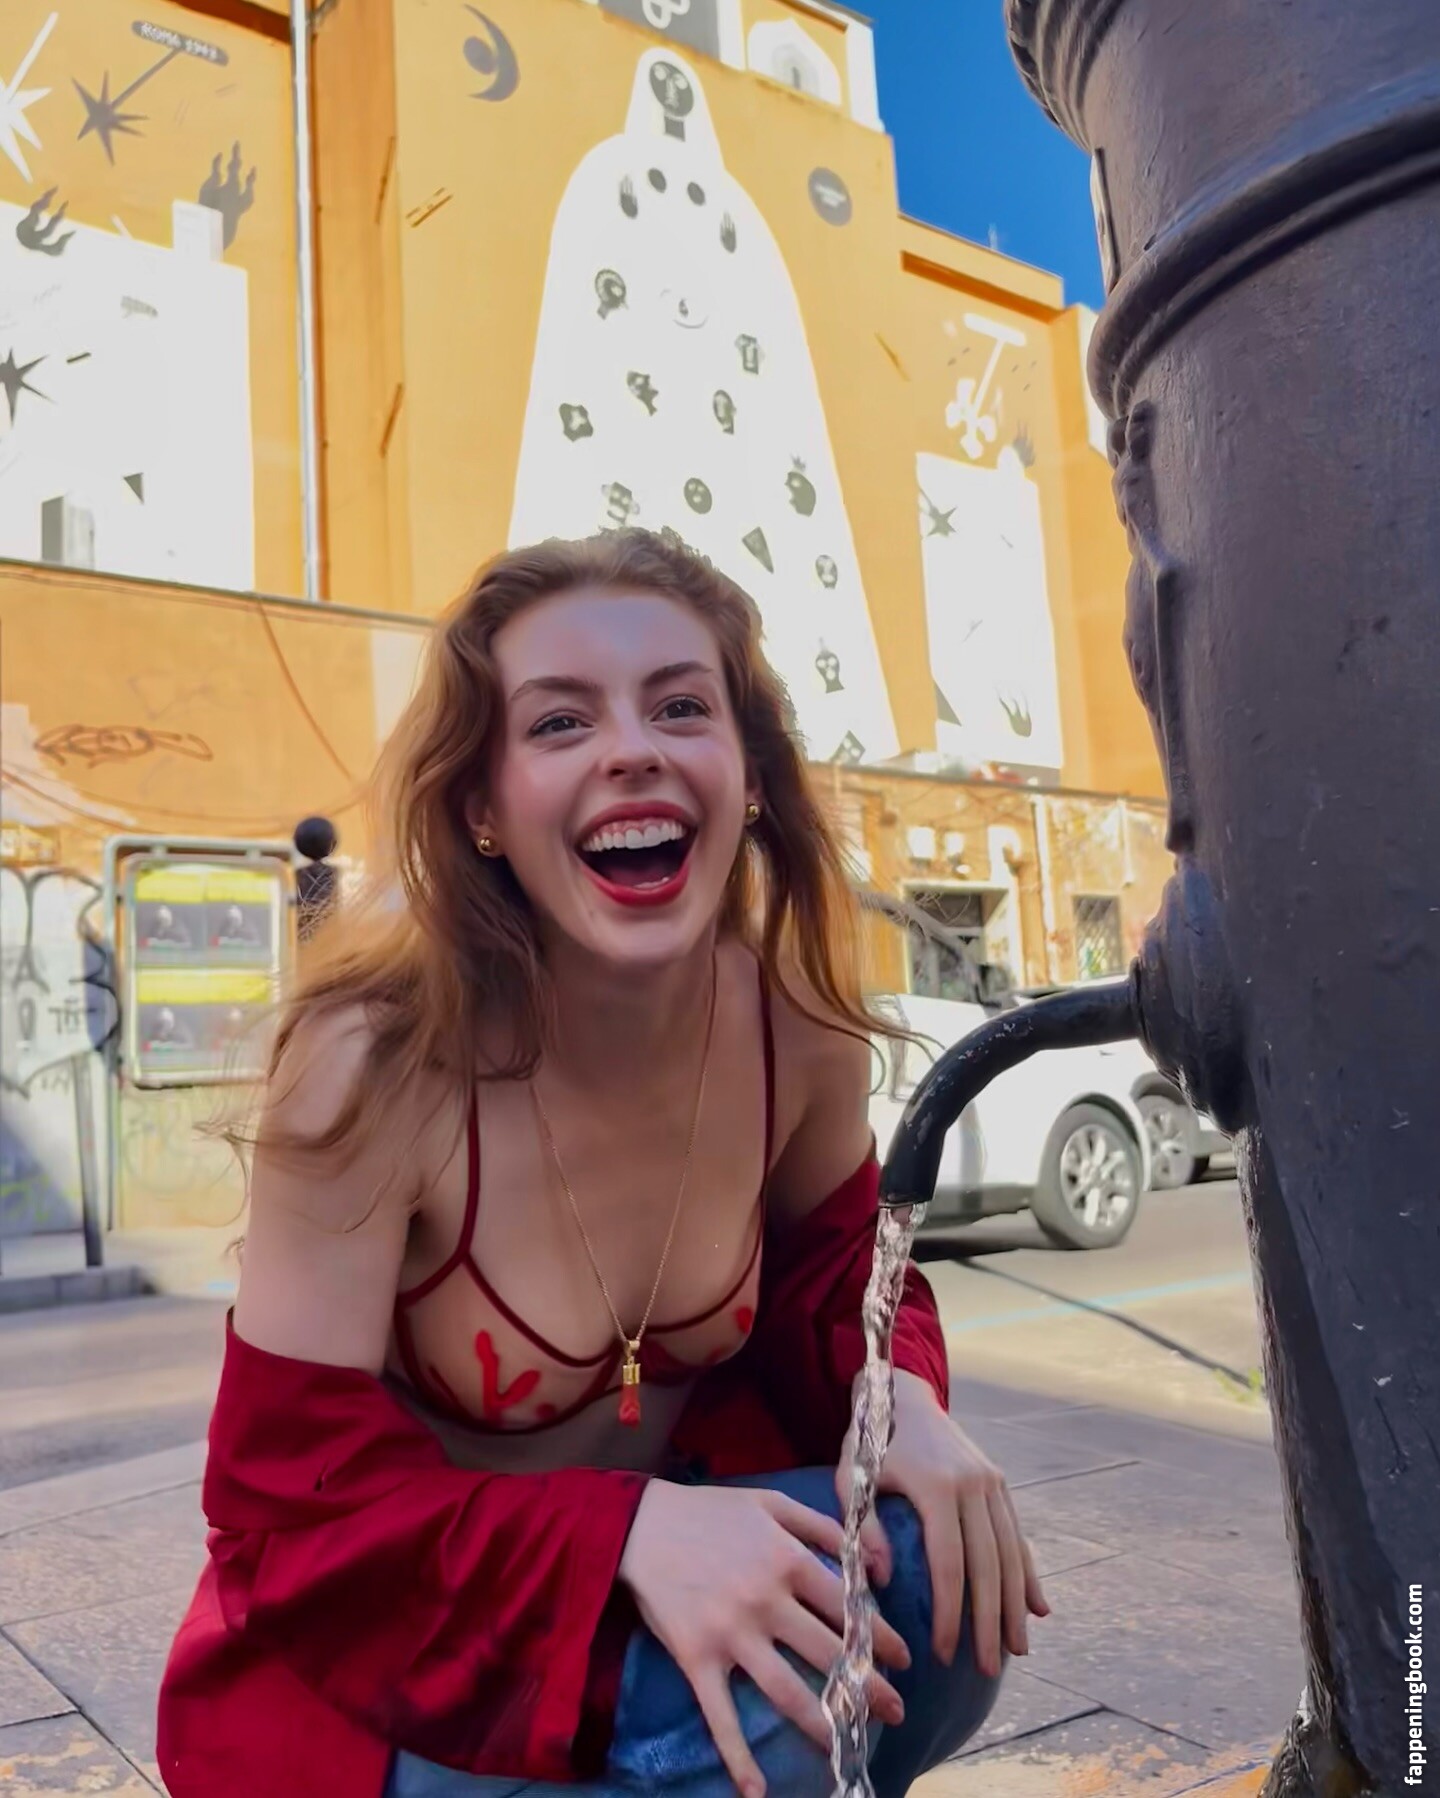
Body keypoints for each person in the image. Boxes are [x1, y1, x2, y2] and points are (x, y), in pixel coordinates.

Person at [158, 531, 1047, 1798]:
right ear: (481, 808)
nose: (631, 749)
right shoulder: (372, 1068)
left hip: (644, 1594)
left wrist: (898, 1396)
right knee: (787, 1706)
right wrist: (621, 1530)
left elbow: (850, 1275)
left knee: (927, 1570)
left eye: (680, 706)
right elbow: (290, 1508)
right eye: (560, 722)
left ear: (750, 778)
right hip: (399, 1664)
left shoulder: (796, 1030)